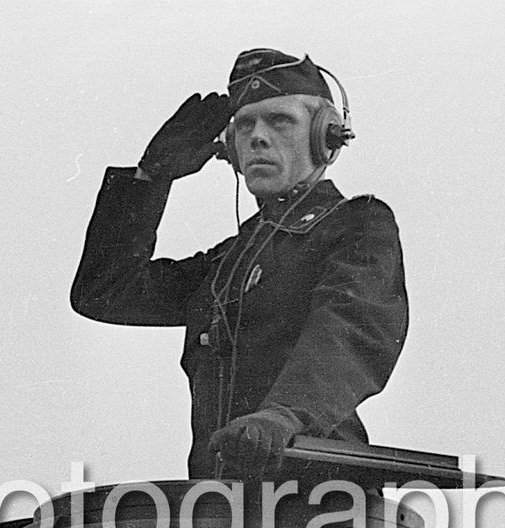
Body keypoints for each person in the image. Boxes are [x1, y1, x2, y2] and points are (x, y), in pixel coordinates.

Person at [71, 49, 408, 481]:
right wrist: (150, 179)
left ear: (324, 136)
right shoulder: (227, 264)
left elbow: (350, 325)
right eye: (244, 125)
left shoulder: (356, 224)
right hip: (220, 508)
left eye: (279, 120)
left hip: (320, 506)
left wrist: (286, 415)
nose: (258, 138)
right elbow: (104, 294)